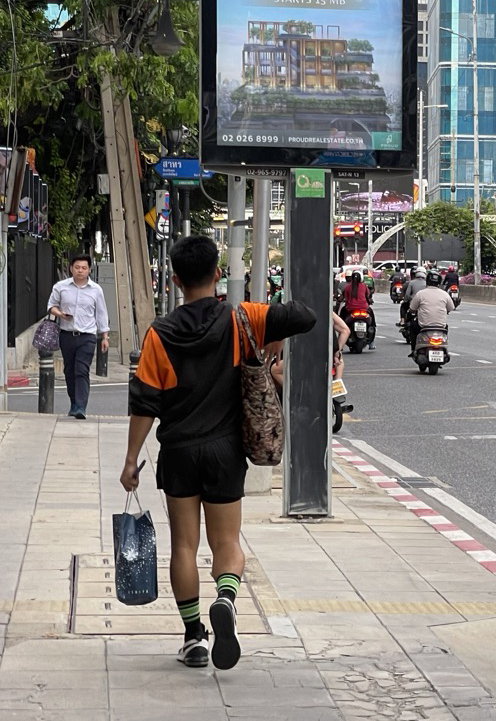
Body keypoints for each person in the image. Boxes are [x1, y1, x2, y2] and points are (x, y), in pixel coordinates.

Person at [120, 235, 316, 670]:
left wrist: (131, 460)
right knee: (227, 542)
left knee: (184, 546)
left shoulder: (160, 334)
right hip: (226, 450)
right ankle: (226, 598)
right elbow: (305, 316)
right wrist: (271, 334)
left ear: (174, 279)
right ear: (217, 274)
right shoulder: (243, 317)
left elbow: (144, 404)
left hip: (179, 453)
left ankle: (193, 637)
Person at [46, 254, 110, 419]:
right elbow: (51, 306)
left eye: (84, 268)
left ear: (89, 270)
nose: (80, 271)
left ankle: (81, 406)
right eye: (77, 267)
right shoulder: (61, 287)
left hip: (87, 336)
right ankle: (74, 402)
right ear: (71, 268)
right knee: (69, 371)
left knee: (82, 370)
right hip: (66, 335)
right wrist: (60, 314)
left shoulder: (96, 290)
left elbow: (101, 314)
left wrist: (105, 337)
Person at [406, 269, 454, 353]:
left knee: (412, 326)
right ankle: (444, 349)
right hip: (441, 326)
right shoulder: (445, 294)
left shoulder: (420, 294)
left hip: (423, 325)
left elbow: (412, 308)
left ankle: (414, 349)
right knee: (446, 328)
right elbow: (450, 308)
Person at [340, 271, 375, 349]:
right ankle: (372, 342)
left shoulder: (347, 287)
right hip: (364, 309)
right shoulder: (364, 286)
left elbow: (345, 298)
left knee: (341, 320)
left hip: (350, 309)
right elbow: (368, 296)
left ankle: (340, 341)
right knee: (372, 322)